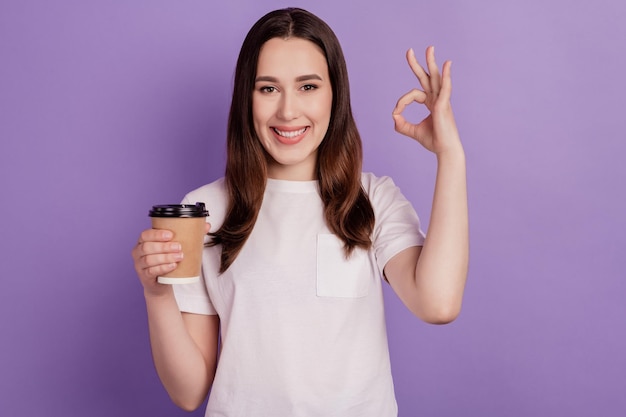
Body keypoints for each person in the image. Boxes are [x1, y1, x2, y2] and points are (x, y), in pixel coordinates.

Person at [131, 7, 468, 417]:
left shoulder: (372, 199)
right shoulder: (204, 211)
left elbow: (438, 304)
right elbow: (188, 391)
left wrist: (450, 155)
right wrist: (157, 293)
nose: (288, 111)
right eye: (268, 89)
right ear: (246, 98)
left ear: (334, 94)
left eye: (308, 86)